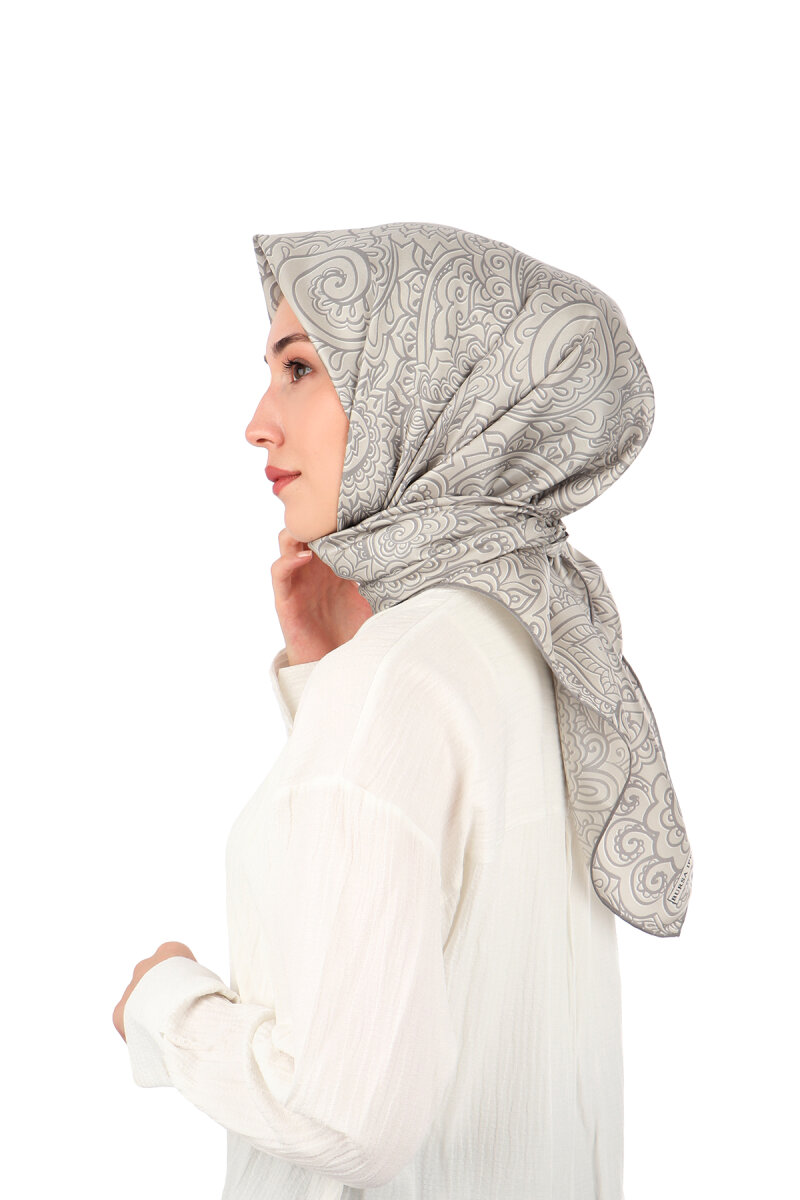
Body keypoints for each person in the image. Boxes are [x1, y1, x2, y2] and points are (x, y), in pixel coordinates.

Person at [113, 220, 692, 1200]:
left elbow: (340, 1117)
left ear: (425, 387)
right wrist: (331, 670)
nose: (258, 422)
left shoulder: (397, 680)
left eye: (299, 368)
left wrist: (162, 1004)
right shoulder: (530, 637)